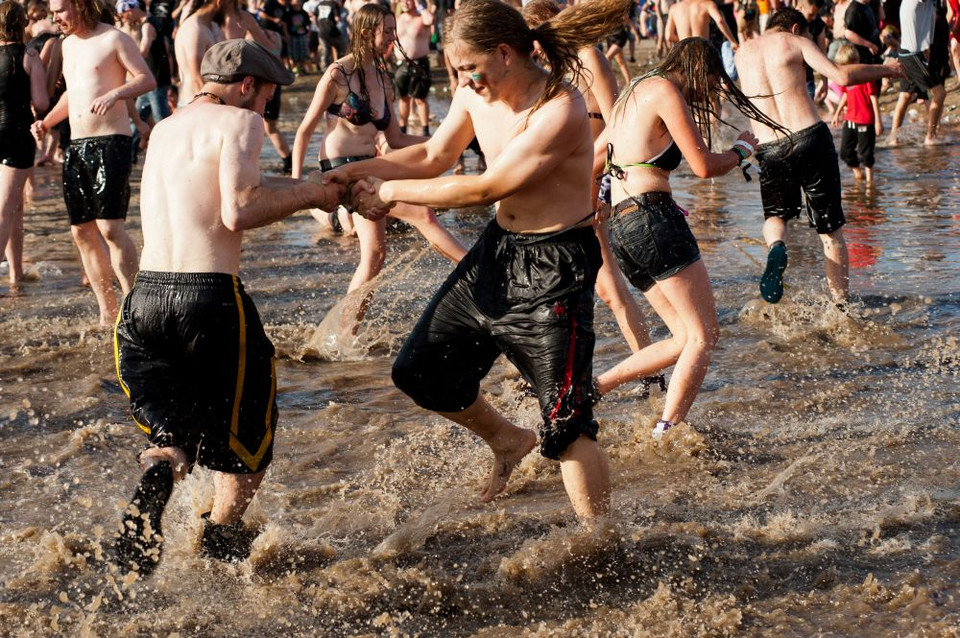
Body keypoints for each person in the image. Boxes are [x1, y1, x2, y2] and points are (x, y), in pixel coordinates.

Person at [330, 0, 636, 520]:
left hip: (555, 267)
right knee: (419, 371)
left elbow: (488, 185)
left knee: (565, 422)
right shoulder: (476, 96)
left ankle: (600, 542)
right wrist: (352, 169)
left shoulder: (559, 108)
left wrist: (388, 191)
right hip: (498, 251)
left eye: (470, 69)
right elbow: (432, 156)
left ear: (504, 53)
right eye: (457, 71)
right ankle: (508, 441)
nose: (465, 81)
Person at [113, 39, 348, 575]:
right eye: (267, 96)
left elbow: (235, 190)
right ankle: (220, 539)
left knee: (175, 434)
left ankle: (162, 466)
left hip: (144, 301)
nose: (266, 109)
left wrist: (314, 187)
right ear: (246, 87)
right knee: (247, 434)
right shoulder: (238, 124)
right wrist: (313, 198)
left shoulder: (167, 128)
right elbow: (239, 208)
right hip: (208, 299)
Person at [593, 37, 777, 439]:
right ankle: (666, 432)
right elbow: (703, 167)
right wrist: (743, 151)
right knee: (704, 334)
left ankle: (590, 391)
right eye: (711, 80)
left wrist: (592, 217)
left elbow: (595, 158)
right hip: (654, 219)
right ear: (699, 67)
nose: (710, 89)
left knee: (682, 337)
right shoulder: (665, 90)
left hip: (624, 228)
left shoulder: (632, 92)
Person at [291, 2, 466, 332]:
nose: (392, 37)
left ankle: (343, 335)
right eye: (386, 31)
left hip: (373, 166)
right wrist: (297, 185)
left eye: (392, 30)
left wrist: (447, 141)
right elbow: (304, 130)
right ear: (364, 31)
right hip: (342, 168)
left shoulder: (384, 78)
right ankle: (478, 269)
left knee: (375, 255)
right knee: (421, 214)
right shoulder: (337, 75)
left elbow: (397, 140)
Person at [523, 0, 655, 388]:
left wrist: (603, 188)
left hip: (593, 186)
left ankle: (650, 374)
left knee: (612, 291)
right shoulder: (551, 70)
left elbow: (618, 125)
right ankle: (544, 373)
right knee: (550, 287)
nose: (532, 49)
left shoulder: (588, 56)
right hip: (561, 189)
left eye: (534, 39)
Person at [735, 8, 901, 305]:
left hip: (770, 148)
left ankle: (776, 247)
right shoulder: (795, 41)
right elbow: (840, 75)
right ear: (796, 27)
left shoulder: (742, 52)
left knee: (775, 216)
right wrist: (888, 69)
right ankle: (841, 304)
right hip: (809, 137)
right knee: (830, 230)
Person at [31, 0, 156, 326]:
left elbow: (146, 79)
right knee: (81, 232)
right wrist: (46, 122)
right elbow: (72, 95)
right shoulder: (66, 45)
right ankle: (107, 312)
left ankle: (134, 305)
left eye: (59, 9)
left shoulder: (114, 38)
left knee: (111, 228)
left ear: (79, 5)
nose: (53, 16)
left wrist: (116, 94)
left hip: (110, 143)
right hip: (76, 146)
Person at [1, 1, 49, 295]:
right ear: (23, 23)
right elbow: (42, 103)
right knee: (6, 210)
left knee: (16, 208)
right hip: (16, 136)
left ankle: (15, 275)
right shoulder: (29, 55)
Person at [887, 0, 949, 145]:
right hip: (912, 54)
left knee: (905, 96)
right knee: (940, 93)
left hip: (911, 52)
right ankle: (931, 137)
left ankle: (893, 138)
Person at [830, 43, 882, 181]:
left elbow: (874, 98)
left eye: (845, 66)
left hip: (865, 119)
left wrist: (878, 121)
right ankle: (858, 173)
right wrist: (837, 113)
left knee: (866, 154)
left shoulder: (865, 77)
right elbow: (846, 95)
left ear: (855, 62)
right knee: (845, 152)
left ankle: (870, 183)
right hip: (850, 119)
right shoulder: (848, 78)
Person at [117, 0, 173, 125]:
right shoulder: (149, 21)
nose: (123, 19)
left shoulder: (147, 25)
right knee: (138, 118)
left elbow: (144, 51)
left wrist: (125, 65)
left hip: (156, 79)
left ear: (130, 10)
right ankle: (134, 143)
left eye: (123, 15)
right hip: (150, 78)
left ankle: (165, 142)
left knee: (161, 120)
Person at [174, 0, 227, 107]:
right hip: (194, 104)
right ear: (219, 2)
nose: (231, 10)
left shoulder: (213, 27)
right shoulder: (194, 29)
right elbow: (196, 78)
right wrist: (214, 107)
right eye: (230, 4)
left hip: (212, 102)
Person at [395, 0, 435, 136]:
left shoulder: (421, 17)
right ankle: (402, 130)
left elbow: (430, 20)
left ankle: (425, 132)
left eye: (409, 0)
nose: (406, 2)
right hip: (401, 65)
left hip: (420, 64)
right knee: (403, 98)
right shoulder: (397, 19)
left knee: (420, 99)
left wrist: (420, 5)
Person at [665, 0, 739, 50]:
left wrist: (683, 40)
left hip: (685, 49)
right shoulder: (707, 4)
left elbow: (668, 36)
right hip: (702, 48)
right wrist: (732, 41)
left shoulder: (674, 8)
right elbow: (720, 21)